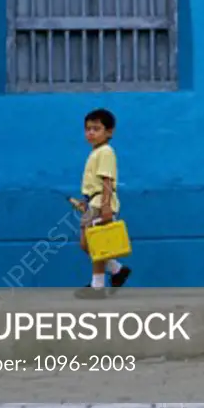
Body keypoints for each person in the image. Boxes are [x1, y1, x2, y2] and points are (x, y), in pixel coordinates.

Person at [75, 108, 131, 298]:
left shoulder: (106, 152)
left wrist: (105, 206)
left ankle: (97, 286)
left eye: (96, 129)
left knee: (97, 243)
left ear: (109, 132)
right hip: (93, 202)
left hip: (101, 203)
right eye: (88, 129)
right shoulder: (96, 152)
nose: (91, 133)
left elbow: (107, 180)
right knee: (86, 243)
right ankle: (116, 270)